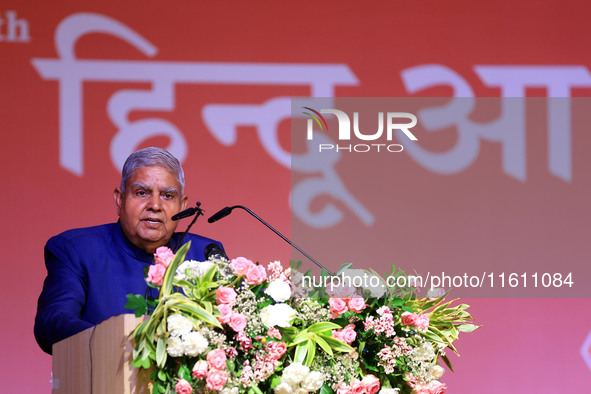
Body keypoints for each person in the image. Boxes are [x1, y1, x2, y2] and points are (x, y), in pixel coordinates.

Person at [34, 147, 224, 354]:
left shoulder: (206, 254)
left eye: (168, 196)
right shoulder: (77, 250)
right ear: (119, 199)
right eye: (142, 193)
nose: (155, 205)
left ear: (182, 206)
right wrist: (110, 339)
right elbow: (52, 323)